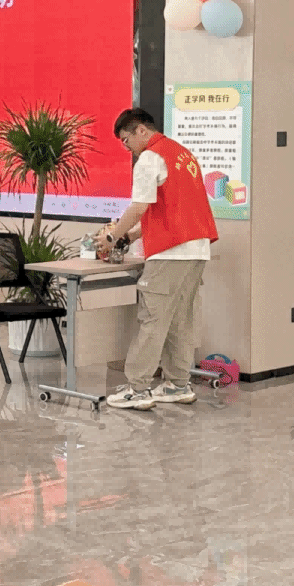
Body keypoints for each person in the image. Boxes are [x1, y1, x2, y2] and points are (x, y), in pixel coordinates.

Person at [95, 108, 218, 410]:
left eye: (126, 140)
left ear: (141, 130)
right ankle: (178, 384)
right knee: (181, 320)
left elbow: (139, 206)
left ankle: (137, 389)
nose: (126, 147)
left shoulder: (150, 158)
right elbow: (166, 207)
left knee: (152, 319)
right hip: (196, 249)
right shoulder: (182, 154)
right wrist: (131, 236)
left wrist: (111, 238)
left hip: (170, 253)